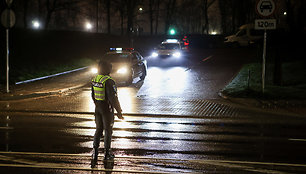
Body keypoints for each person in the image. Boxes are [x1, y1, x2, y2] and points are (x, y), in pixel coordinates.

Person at [91, 60, 124, 167]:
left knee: (98, 130)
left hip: (98, 109)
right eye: (110, 67)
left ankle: (94, 153)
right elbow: (113, 98)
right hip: (107, 110)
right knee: (108, 131)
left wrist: (97, 104)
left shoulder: (95, 79)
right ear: (107, 69)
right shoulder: (109, 81)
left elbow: (93, 95)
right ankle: (107, 153)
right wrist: (119, 111)